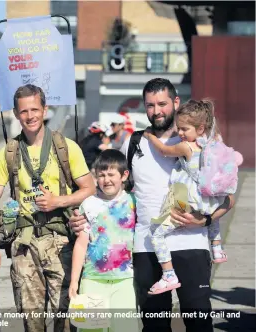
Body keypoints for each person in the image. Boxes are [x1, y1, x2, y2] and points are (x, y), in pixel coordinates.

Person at [68, 78, 233, 332]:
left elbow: (228, 195)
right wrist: (81, 214)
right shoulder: (134, 143)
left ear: (176, 102)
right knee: (154, 327)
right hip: (146, 248)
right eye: (150, 105)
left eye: (162, 104)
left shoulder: (204, 144)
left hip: (192, 245)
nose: (156, 111)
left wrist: (207, 220)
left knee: (199, 324)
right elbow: (106, 183)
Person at [0, 84, 95, 332]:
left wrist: (58, 201)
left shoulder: (66, 147)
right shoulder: (9, 152)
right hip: (25, 245)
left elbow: (89, 188)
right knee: (31, 321)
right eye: (24, 111)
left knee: (66, 319)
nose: (30, 116)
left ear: (45, 109)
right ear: (15, 113)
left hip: (61, 242)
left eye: (35, 109)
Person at [143, 99, 236, 295]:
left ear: (200, 128)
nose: (180, 133)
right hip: (209, 199)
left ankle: (168, 275)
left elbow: (163, 150)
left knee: (156, 233)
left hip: (188, 203)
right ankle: (217, 248)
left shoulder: (186, 147)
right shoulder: (214, 144)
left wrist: (150, 136)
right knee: (212, 217)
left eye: (184, 128)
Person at [69, 149, 138, 332]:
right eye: (101, 175)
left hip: (125, 281)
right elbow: (81, 243)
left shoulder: (134, 202)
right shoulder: (89, 204)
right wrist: (74, 281)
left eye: (111, 174)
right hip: (92, 280)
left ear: (124, 175)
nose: (106, 180)